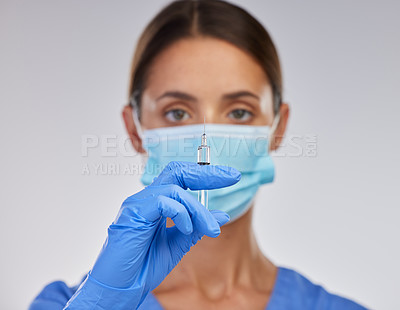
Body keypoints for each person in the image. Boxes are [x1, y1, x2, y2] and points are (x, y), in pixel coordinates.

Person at [29, 0, 369, 309]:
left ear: (277, 129)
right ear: (135, 130)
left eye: (239, 112)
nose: (209, 138)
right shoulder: (63, 304)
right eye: (177, 112)